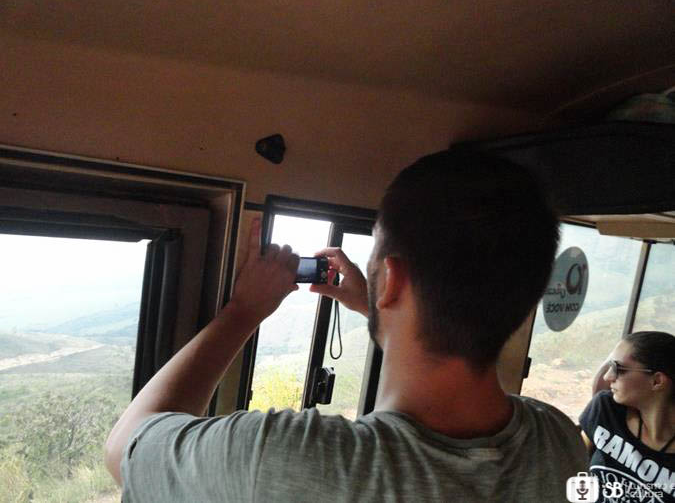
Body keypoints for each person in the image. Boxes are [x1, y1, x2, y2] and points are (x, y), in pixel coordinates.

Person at [104, 148, 588, 502]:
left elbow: (126, 447)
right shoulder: (558, 442)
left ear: (391, 279)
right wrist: (380, 307)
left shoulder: (284, 460)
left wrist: (244, 310)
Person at [579, 331, 675, 502]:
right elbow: (572, 461)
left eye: (618, 368)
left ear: (657, 381)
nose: (607, 376)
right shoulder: (606, 410)